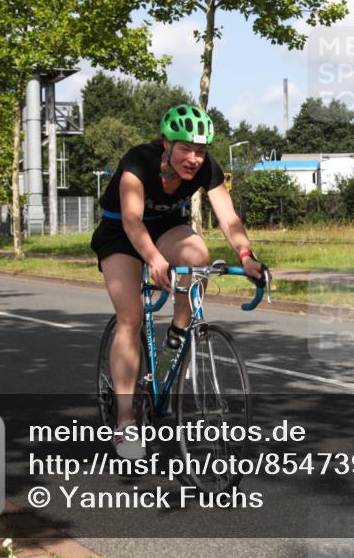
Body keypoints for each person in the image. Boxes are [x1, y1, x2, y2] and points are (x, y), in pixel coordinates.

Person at [90, 103, 264, 459]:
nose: (194, 159)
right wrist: (153, 259)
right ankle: (124, 423)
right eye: (186, 148)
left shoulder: (205, 169)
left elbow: (229, 219)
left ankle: (177, 334)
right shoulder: (138, 163)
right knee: (131, 317)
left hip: (167, 228)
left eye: (200, 151)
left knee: (197, 256)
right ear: (166, 144)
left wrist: (246, 256)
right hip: (122, 233)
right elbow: (132, 222)